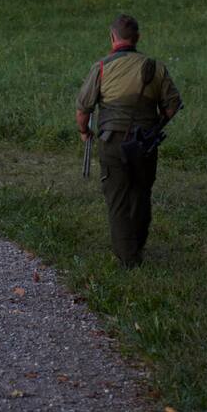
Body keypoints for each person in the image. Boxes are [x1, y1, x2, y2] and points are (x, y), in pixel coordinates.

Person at [76, 14, 182, 268]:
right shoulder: (155, 68)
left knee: (117, 200)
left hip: (112, 141)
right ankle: (136, 245)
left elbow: (84, 109)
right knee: (141, 193)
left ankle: (128, 259)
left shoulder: (102, 67)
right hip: (145, 143)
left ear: (112, 37)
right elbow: (172, 106)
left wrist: (84, 131)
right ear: (138, 38)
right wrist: (153, 127)